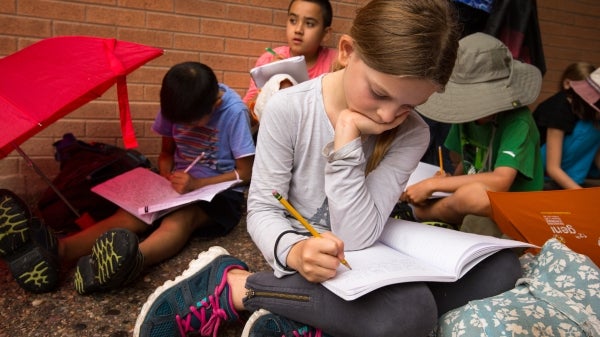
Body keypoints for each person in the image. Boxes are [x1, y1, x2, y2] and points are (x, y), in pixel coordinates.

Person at [134, 2, 523, 337]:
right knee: (411, 313)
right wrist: (296, 249)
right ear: (347, 51)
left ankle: (308, 320)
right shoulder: (290, 109)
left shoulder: (412, 132)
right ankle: (235, 285)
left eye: (409, 105)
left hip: (367, 249)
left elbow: (357, 233)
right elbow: (263, 208)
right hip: (307, 256)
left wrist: (349, 137)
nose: (389, 115)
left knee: (501, 269)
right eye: (380, 93)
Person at [0, 62, 255, 295]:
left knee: (179, 220)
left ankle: (129, 262)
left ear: (215, 105)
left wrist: (197, 184)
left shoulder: (234, 112)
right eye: (180, 123)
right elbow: (166, 154)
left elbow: (245, 173)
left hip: (219, 193)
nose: (185, 128)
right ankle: (58, 250)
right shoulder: (177, 106)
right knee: (132, 214)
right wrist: (165, 174)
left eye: (191, 123)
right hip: (176, 188)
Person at [394, 32, 544, 229]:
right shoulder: (466, 115)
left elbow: (500, 181)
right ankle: (433, 211)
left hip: (514, 208)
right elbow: (464, 164)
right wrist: (446, 182)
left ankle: (419, 214)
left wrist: (433, 186)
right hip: (470, 202)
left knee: (475, 195)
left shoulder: (518, 121)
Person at [242, 0, 337, 104]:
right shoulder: (269, 59)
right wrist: (270, 82)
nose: (298, 30)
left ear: (326, 33)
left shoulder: (336, 64)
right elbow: (246, 113)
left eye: (309, 24)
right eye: (293, 21)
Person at [533, 63, 600, 190]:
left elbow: (596, 152)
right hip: (543, 173)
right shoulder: (559, 109)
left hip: (574, 173)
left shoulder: (591, 113)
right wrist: (581, 194)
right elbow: (553, 168)